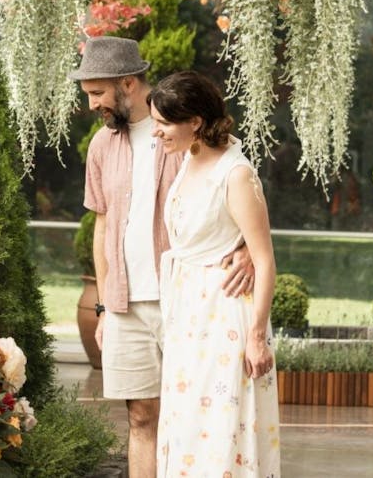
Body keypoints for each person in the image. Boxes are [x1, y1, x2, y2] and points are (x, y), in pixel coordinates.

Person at [72, 37, 255, 478]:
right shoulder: (101, 146)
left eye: (97, 92)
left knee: (191, 417)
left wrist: (248, 247)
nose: (92, 104)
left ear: (128, 83)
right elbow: (102, 226)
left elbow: (237, 185)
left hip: (188, 303)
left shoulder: (187, 131)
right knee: (140, 417)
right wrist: (103, 307)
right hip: (125, 306)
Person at [149, 71, 281, 476]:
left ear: (195, 122)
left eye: (163, 123)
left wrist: (256, 338)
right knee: (188, 429)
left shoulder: (235, 174)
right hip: (188, 318)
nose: (156, 133)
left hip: (224, 317)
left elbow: (265, 260)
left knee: (221, 430)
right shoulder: (187, 158)